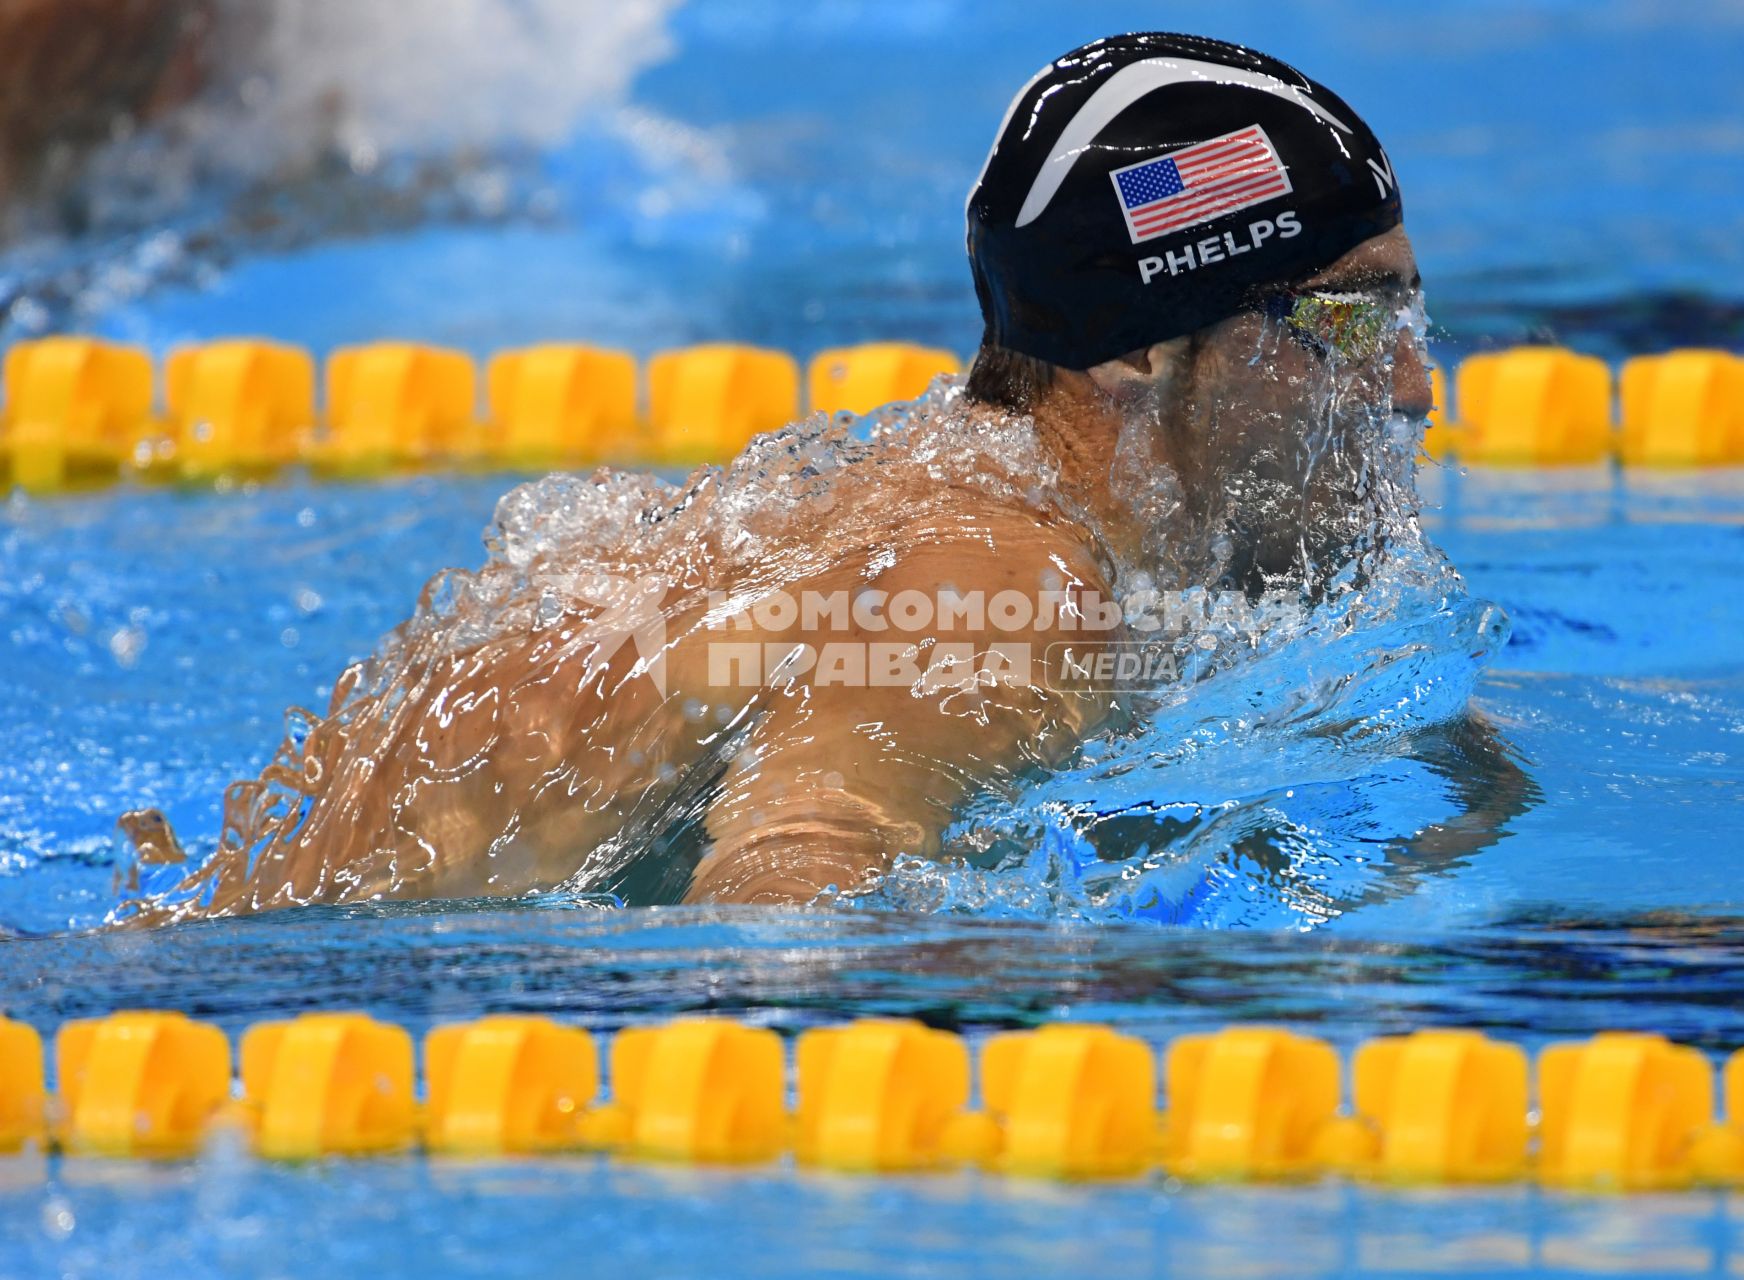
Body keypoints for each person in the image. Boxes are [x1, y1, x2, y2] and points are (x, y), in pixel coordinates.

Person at [122, 32, 1455, 920]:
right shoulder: (1009, 581)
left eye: (1408, 319)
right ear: (1138, 352)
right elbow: (783, 888)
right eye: (1344, 324)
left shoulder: (1050, 518)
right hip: (293, 1016)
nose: (1409, 389)